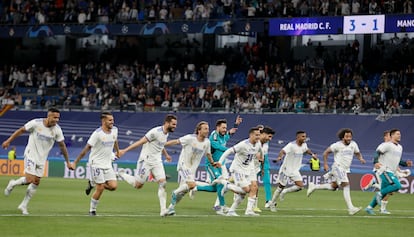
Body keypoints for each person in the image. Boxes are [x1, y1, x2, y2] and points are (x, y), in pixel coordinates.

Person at [3, 108, 73, 215]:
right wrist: (8, 141)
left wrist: (68, 161)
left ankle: (23, 205)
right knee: (30, 179)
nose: (56, 120)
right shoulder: (36, 123)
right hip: (31, 154)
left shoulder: (57, 130)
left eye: (58, 118)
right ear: (48, 116)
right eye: (54, 117)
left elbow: (62, 146)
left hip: (42, 158)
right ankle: (12, 184)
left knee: (36, 181)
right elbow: (21, 130)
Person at [117, 114, 177, 216]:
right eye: (173, 124)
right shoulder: (155, 132)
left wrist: (166, 155)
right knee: (138, 185)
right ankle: (122, 174)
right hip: (146, 160)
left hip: (157, 161)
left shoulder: (166, 133)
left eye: (175, 124)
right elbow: (140, 142)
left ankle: (163, 210)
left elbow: (160, 145)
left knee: (163, 183)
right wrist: (124, 150)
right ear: (167, 123)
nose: (175, 126)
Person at [164, 121, 220, 216]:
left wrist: (213, 163)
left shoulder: (207, 142)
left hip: (192, 170)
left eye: (208, 129)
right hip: (184, 165)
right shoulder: (190, 138)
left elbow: (208, 154)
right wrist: (162, 144)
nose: (207, 131)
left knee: (182, 193)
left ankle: (170, 208)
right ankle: (175, 192)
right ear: (199, 130)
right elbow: (176, 141)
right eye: (205, 129)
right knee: (191, 185)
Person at [188, 116, 242, 214]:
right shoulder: (214, 135)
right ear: (217, 127)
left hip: (221, 165)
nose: (225, 130)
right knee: (221, 183)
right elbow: (217, 146)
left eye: (225, 128)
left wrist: (236, 124)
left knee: (217, 188)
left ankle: (195, 187)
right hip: (212, 164)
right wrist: (231, 151)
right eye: (223, 128)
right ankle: (220, 206)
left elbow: (231, 132)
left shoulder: (223, 136)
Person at [307, 128, 366, 215]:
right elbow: (325, 153)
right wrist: (325, 164)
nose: (349, 138)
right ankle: (351, 208)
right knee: (346, 185)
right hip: (338, 167)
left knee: (334, 187)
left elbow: (357, 153)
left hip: (345, 169)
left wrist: (360, 158)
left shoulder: (353, 144)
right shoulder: (337, 145)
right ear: (342, 137)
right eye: (347, 136)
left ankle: (314, 186)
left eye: (350, 136)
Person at [70, 112, 120, 216]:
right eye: (110, 120)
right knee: (100, 187)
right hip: (96, 163)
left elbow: (115, 140)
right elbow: (86, 149)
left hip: (107, 163)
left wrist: (118, 151)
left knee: (113, 186)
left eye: (113, 119)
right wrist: (75, 162)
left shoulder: (115, 130)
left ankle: (92, 183)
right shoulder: (97, 134)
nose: (112, 122)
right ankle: (92, 210)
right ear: (103, 121)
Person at [365, 129, 412, 215]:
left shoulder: (400, 147)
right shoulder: (387, 145)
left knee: (385, 192)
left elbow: (397, 160)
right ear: (392, 136)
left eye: (400, 134)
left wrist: (405, 164)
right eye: (397, 134)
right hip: (385, 170)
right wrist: (375, 162)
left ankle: (369, 207)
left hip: (392, 171)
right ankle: (378, 192)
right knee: (397, 185)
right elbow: (377, 152)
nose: (399, 135)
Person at [268, 130, 317, 212]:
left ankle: (285, 191)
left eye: (305, 136)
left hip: (295, 170)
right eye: (303, 136)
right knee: (280, 187)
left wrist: (312, 154)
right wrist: (280, 157)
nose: (305, 138)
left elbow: (306, 150)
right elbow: (282, 151)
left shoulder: (304, 144)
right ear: (298, 137)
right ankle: (272, 204)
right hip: (286, 169)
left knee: (300, 186)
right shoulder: (291, 145)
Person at [218, 126, 262, 216]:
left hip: (249, 168)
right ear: (251, 135)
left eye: (259, 135)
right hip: (238, 169)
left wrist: (260, 156)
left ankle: (244, 210)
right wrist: (220, 162)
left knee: (254, 188)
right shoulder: (243, 145)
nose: (258, 137)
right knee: (246, 190)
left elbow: (259, 151)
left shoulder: (258, 144)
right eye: (256, 135)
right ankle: (227, 185)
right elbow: (229, 151)